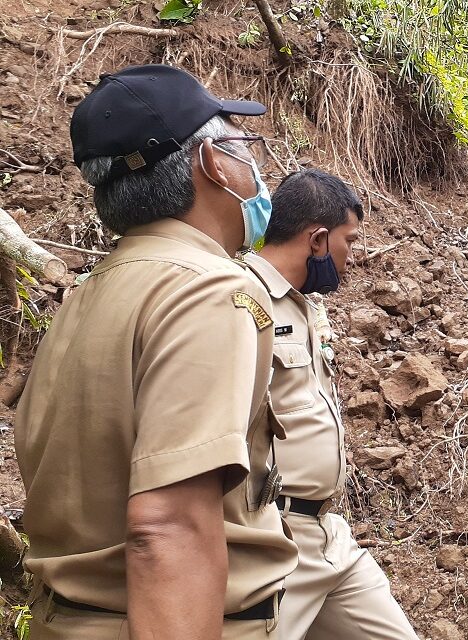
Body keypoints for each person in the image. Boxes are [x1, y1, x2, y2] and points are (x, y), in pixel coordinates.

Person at [15, 65, 296, 638]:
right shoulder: (208, 291)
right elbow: (168, 527)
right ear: (213, 163)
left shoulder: (88, 293)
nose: (257, 170)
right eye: (245, 147)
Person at [244, 170, 420, 640]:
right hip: (272, 538)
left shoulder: (304, 304)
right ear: (318, 239)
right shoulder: (242, 301)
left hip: (328, 533)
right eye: (350, 241)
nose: (352, 256)